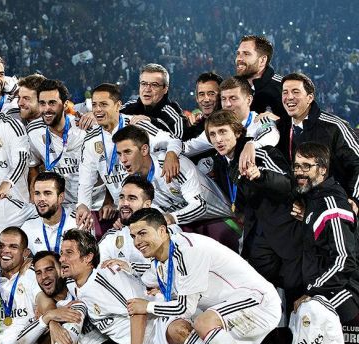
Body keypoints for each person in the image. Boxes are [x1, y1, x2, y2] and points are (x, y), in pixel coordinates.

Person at [126, 208, 282, 344]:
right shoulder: (159, 262)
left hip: (259, 303)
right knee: (176, 329)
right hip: (225, 312)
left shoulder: (187, 250)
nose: (137, 242)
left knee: (203, 322)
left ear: (163, 231)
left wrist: (146, 306)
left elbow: (185, 307)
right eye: (133, 236)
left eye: (143, 233)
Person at [11, 229, 146, 344]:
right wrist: (50, 318)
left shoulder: (108, 276)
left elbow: (139, 311)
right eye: (61, 254)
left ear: (88, 257)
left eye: (69, 253)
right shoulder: (74, 286)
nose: (62, 259)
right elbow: (47, 285)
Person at [205, 110, 304, 301]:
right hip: (257, 238)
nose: (218, 139)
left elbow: (290, 184)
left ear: (237, 132)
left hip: (286, 236)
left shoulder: (262, 152)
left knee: (295, 296)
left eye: (223, 132)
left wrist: (261, 176)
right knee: (263, 296)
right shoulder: (223, 162)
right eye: (213, 134)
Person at [288, 143, 359, 344]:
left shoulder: (331, 203)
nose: (300, 172)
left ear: (323, 170)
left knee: (310, 307)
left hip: (347, 289)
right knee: (302, 310)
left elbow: (344, 259)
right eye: (297, 166)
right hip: (333, 285)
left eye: (307, 166)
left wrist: (314, 289)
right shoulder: (315, 200)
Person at [76, 83, 181, 235]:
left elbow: (173, 140)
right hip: (124, 210)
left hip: (154, 206)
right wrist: (83, 205)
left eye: (104, 104)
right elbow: (86, 180)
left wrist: (172, 154)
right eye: (95, 105)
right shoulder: (90, 141)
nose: (98, 110)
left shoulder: (137, 125)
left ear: (118, 105)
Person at [114, 125, 238, 251]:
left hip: (217, 219)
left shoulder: (174, 164)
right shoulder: (133, 182)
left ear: (144, 150)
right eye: (119, 154)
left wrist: (171, 218)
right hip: (181, 226)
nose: (123, 160)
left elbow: (201, 206)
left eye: (128, 152)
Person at [265, 73, 359, 205]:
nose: (289, 97)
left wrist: (354, 199)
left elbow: (357, 162)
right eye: (285, 92)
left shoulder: (334, 127)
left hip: (334, 207)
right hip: (301, 208)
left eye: (295, 92)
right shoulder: (281, 128)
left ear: (310, 98)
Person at [185, 77, 279, 165]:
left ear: (248, 100)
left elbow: (272, 133)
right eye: (223, 99)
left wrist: (252, 144)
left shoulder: (259, 120)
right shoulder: (217, 129)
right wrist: (172, 150)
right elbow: (188, 148)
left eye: (233, 98)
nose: (227, 104)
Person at [26, 79, 82, 207]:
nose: (46, 109)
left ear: (65, 105)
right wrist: (33, 195)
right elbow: (33, 166)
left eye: (52, 103)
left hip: (91, 204)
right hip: (58, 205)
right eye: (42, 103)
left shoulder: (82, 127)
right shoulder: (34, 131)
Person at [121, 63, 187, 139]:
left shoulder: (173, 116)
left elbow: (181, 144)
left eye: (154, 85)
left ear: (165, 89)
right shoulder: (128, 107)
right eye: (144, 84)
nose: (147, 89)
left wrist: (152, 122)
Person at [21, 172, 78, 255]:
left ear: (60, 198)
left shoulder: (77, 224)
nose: (41, 199)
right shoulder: (27, 227)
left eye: (47, 193)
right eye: (37, 193)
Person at [234, 35, 284, 117]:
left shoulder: (282, 88)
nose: (239, 58)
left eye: (246, 54)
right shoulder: (233, 87)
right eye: (238, 53)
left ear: (262, 60)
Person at [183, 72, 222, 141]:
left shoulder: (230, 125)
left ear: (221, 96)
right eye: (201, 94)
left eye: (211, 94)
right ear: (197, 98)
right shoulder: (191, 127)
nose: (206, 99)